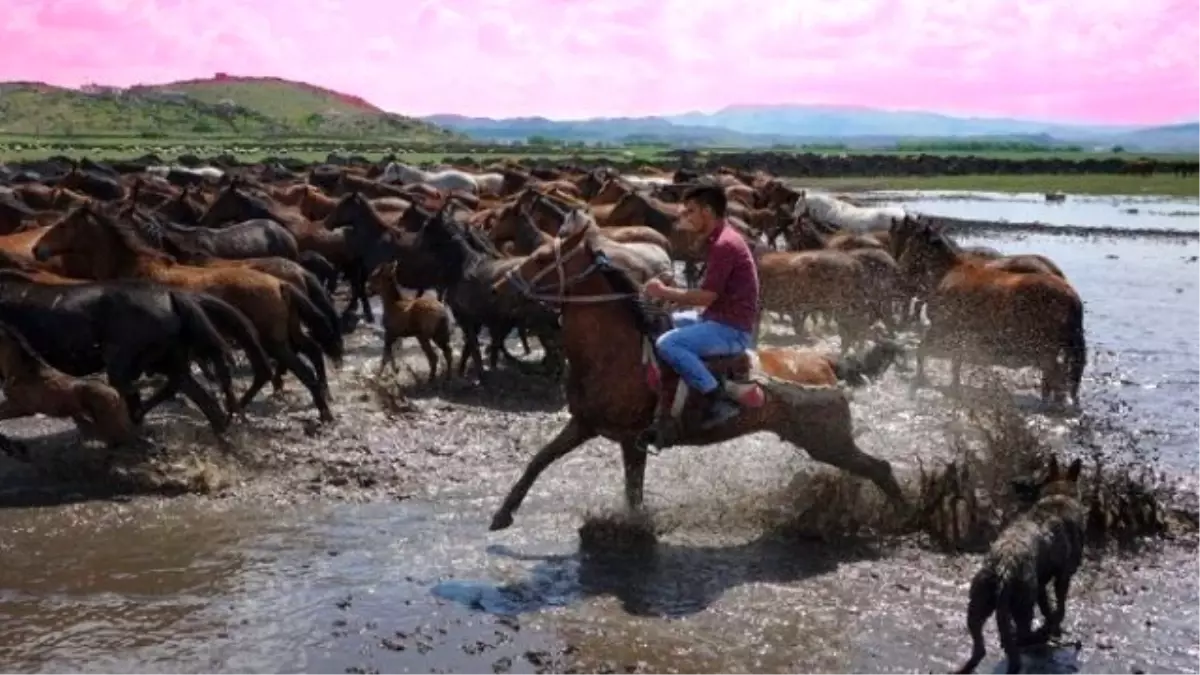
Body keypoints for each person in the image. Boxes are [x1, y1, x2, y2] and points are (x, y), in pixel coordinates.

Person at [643, 183, 760, 429]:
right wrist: (671, 298)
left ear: (707, 211)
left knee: (668, 343)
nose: (685, 217)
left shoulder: (724, 245)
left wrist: (664, 291)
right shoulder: (720, 238)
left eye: (690, 211)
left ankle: (714, 396)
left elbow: (706, 296)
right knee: (663, 321)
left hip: (731, 330)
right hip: (717, 319)